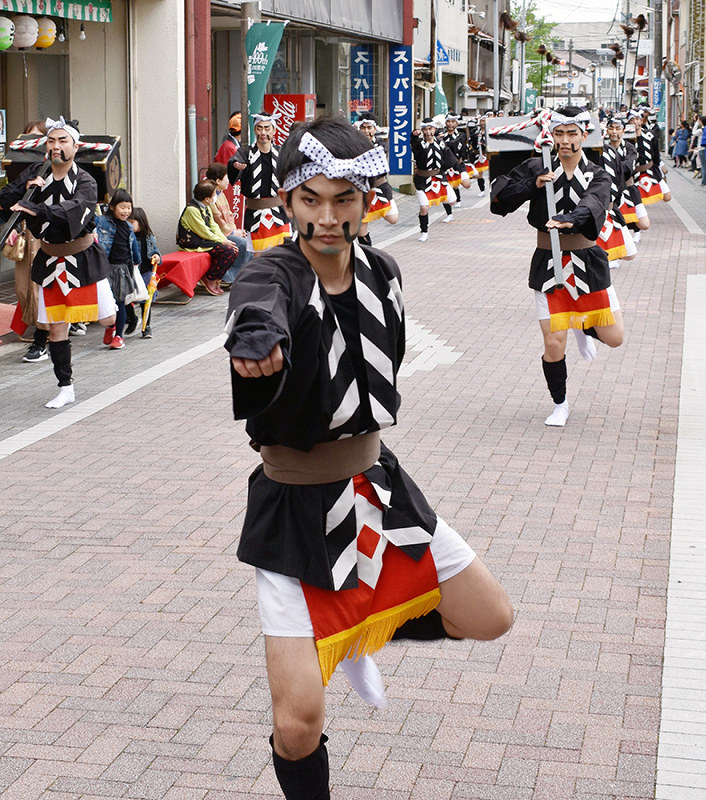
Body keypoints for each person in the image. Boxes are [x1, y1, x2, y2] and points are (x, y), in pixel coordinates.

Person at [224, 116, 513, 800]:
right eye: (311, 199)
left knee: (490, 616)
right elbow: (256, 305)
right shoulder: (273, 273)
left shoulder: (384, 271)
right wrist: (257, 340)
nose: (328, 217)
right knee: (298, 724)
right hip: (295, 509)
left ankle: (357, 630)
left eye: (344, 199)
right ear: (288, 202)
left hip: (377, 489)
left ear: (366, 199)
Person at [491, 106, 625, 427]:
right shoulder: (537, 166)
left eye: (572, 134)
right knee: (553, 342)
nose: (565, 141)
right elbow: (499, 198)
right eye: (559, 134)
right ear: (551, 135)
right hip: (548, 263)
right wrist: (532, 185)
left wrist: (570, 219)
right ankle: (560, 403)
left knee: (616, 337)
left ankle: (583, 324)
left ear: (583, 136)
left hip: (588, 262)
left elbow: (595, 203)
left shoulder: (598, 173)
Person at [0, 116, 116, 408]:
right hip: (50, 260)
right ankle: (66, 386)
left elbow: (72, 211)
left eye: (63, 140)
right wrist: (23, 189)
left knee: (107, 318)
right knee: (56, 328)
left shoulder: (86, 180)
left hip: (83, 258)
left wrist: (34, 208)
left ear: (75, 147)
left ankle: (116, 317)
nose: (56, 146)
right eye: (51, 141)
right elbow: (5, 200)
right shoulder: (36, 173)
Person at [0, 120, 50, 362]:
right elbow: (5, 197)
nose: (33, 143)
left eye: (39, 138)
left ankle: (43, 339)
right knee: (22, 288)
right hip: (26, 233)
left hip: (50, 235)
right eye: (28, 138)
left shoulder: (62, 169)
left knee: (41, 288)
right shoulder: (28, 169)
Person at [227, 112, 292, 253]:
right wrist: (236, 166)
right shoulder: (246, 152)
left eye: (267, 128)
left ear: (274, 131)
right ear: (255, 130)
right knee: (259, 256)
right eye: (259, 128)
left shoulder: (281, 152)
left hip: (279, 213)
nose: (263, 132)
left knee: (282, 254)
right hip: (256, 214)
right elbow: (234, 162)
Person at [95, 189, 142, 350]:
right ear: (113, 206)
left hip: (122, 269)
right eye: (122, 207)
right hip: (105, 268)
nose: (126, 211)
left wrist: (136, 262)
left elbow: (134, 247)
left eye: (129, 207)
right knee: (108, 302)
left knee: (120, 302)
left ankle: (118, 336)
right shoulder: (101, 222)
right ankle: (110, 326)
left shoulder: (128, 227)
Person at [176, 178, 240, 295]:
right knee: (229, 251)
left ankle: (216, 278)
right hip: (193, 243)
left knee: (233, 250)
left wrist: (224, 239)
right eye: (214, 194)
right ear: (207, 198)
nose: (216, 196)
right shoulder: (192, 210)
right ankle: (210, 278)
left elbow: (214, 226)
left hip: (204, 240)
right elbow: (204, 231)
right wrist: (223, 242)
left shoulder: (205, 207)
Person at [354, 114, 399, 246]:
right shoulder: (354, 145)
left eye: (369, 127)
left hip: (380, 187)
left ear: (375, 129)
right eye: (363, 128)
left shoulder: (381, 144)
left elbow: (380, 152)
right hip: (362, 189)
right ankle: (368, 256)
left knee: (393, 218)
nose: (366, 131)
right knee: (361, 228)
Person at [204, 161, 252, 284]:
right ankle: (229, 277)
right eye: (226, 178)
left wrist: (236, 231)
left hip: (228, 232)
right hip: (218, 235)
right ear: (218, 181)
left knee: (249, 243)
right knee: (244, 244)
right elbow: (217, 219)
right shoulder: (211, 196)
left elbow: (230, 216)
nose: (228, 181)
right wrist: (233, 232)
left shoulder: (221, 194)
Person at [411, 118, 454, 242]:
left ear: (434, 129)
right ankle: (424, 232)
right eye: (425, 129)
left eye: (430, 129)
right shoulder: (419, 144)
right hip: (422, 179)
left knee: (452, 201)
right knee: (424, 207)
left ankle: (449, 212)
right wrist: (414, 136)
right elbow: (413, 144)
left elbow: (449, 158)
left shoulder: (440, 142)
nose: (428, 132)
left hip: (438, 177)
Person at [129, 206, 161, 339]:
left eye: (132, 223)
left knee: (146, 302)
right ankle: (132, 319)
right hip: (132, 273)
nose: (129, 226)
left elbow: (156, 251)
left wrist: (157, 256)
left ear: (141, 222)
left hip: (146, 272)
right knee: (127, 298)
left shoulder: (149, 237)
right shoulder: (127, 237)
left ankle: (146, 327)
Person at [438, 111, 472, 222]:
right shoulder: (441, 135)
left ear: (456, 124)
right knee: (445, 190)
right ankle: (449, 214)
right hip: (445, 166)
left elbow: (459, 146)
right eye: (448, 121)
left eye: (453, 122)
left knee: (466, 183)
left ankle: (458, 198)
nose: (450, 124)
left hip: (458, 163)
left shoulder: (460, 135)